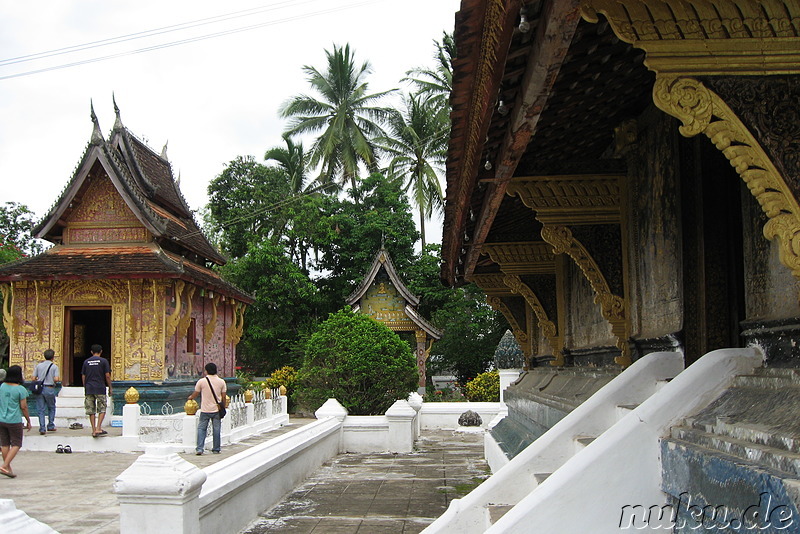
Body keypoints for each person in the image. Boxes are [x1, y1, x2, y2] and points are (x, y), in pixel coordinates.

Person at [187, 362, 226, 455]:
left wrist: (190, 398)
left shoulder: (202, 381)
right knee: (216, 430)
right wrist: (222, 406)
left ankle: (200, 448)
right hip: (216, 409)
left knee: (201, 429)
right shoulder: (221, 382)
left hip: (205, 410)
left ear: (206, 371)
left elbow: (196, 393)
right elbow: (223, 396)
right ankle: (216, 448)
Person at [0, 365, 32, 478]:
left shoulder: (2, 386)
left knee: (5, 443)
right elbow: (24, 407)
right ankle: (5, 465)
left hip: (1, 419)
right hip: (14, 420)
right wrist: (28, 420)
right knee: (17, 444)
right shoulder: (20, 389)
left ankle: (8, 468)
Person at [81, 344, 112, 438]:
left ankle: (94, 429)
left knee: (91, 410)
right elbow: (107, 375)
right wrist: (110, 387)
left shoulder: (86, 362)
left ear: (91, 352)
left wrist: (85, 386)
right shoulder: (103, 361)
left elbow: (83, 375)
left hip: (89, 388)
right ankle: (99, 427)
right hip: (100, 388)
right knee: (102, 408)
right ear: (101, 351)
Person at [33, 349, 61, 435]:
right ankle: (50, 425)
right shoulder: (54, 367)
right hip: (49, 388)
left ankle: (42, 428)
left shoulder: (39, 366)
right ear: (53, 357)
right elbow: (56, 379)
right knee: (51, 407)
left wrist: (40, 379)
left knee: (41, 409)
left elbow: (33, 378)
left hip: (40, 388)